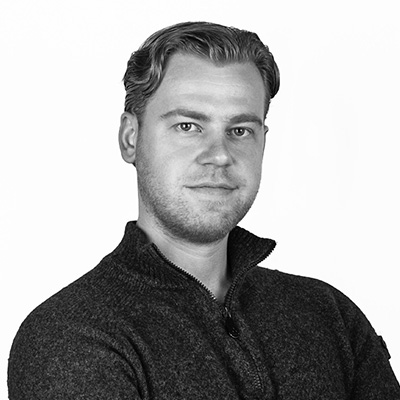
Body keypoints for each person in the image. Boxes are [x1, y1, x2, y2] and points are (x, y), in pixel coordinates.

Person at [8, 21, 400, 399]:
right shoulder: (72, 334)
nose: (219, 155)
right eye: (188, 126)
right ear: (131, 138)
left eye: (240, 130)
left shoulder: (329, 315)